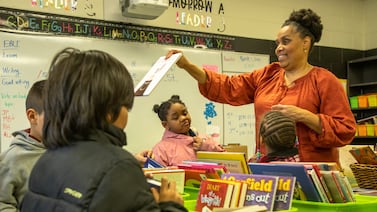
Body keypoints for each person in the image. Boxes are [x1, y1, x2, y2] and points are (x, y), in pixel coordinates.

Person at [165, 8, 356, 165]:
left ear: (305, 43)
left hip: (312, 175)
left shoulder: (324, 80)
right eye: (277, 43)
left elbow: (345, 130)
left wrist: (305, 116)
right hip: (268, 170)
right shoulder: (267, 75)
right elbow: (229, 86)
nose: (278, 48)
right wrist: (187, 66)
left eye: (286, 41)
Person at [20, 48, 187, 212]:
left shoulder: (45, 160)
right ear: (108, 111)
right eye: (125, 107)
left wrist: (131, 187)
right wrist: (171, 205)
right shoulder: (119, 168)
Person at [0, 80, 46, 211]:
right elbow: (2, 203)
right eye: (55, 117)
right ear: (32, 117)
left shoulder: (66, 151)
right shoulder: (11, 159)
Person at [152, 95, 225, 166]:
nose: (183, 118)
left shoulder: (204, 139)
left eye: (185, 113)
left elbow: (227, 160)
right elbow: (158, 176)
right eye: (176, 117)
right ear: (165, 125)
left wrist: (206, 146)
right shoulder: (161, 149)